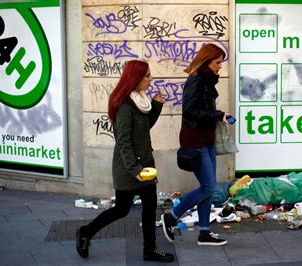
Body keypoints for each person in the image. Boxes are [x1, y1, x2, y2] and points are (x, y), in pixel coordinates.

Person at [75, 60, 174, 263]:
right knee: (122, 209)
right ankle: (85, 232)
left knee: (150, 207)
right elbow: (123, 142)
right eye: (147, 75)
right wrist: (133, 168)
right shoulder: (124, 106)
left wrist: (156, 106)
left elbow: (144, 128)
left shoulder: (141, 100)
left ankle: (150, 250)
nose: (151, 79)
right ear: (135, 79)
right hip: (129, 168)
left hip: (145, 164)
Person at [162, 43, 231, 246]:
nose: (220, 66)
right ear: (206, 62)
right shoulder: (196, 81)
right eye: (217, 62)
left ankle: (204, 232)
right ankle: (171, 217)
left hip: (206, 140)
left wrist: (220, 117)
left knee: (207, 187)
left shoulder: (206, 81)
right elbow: (189, 110)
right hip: (195, 141)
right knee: (209, 186)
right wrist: (218, 115)